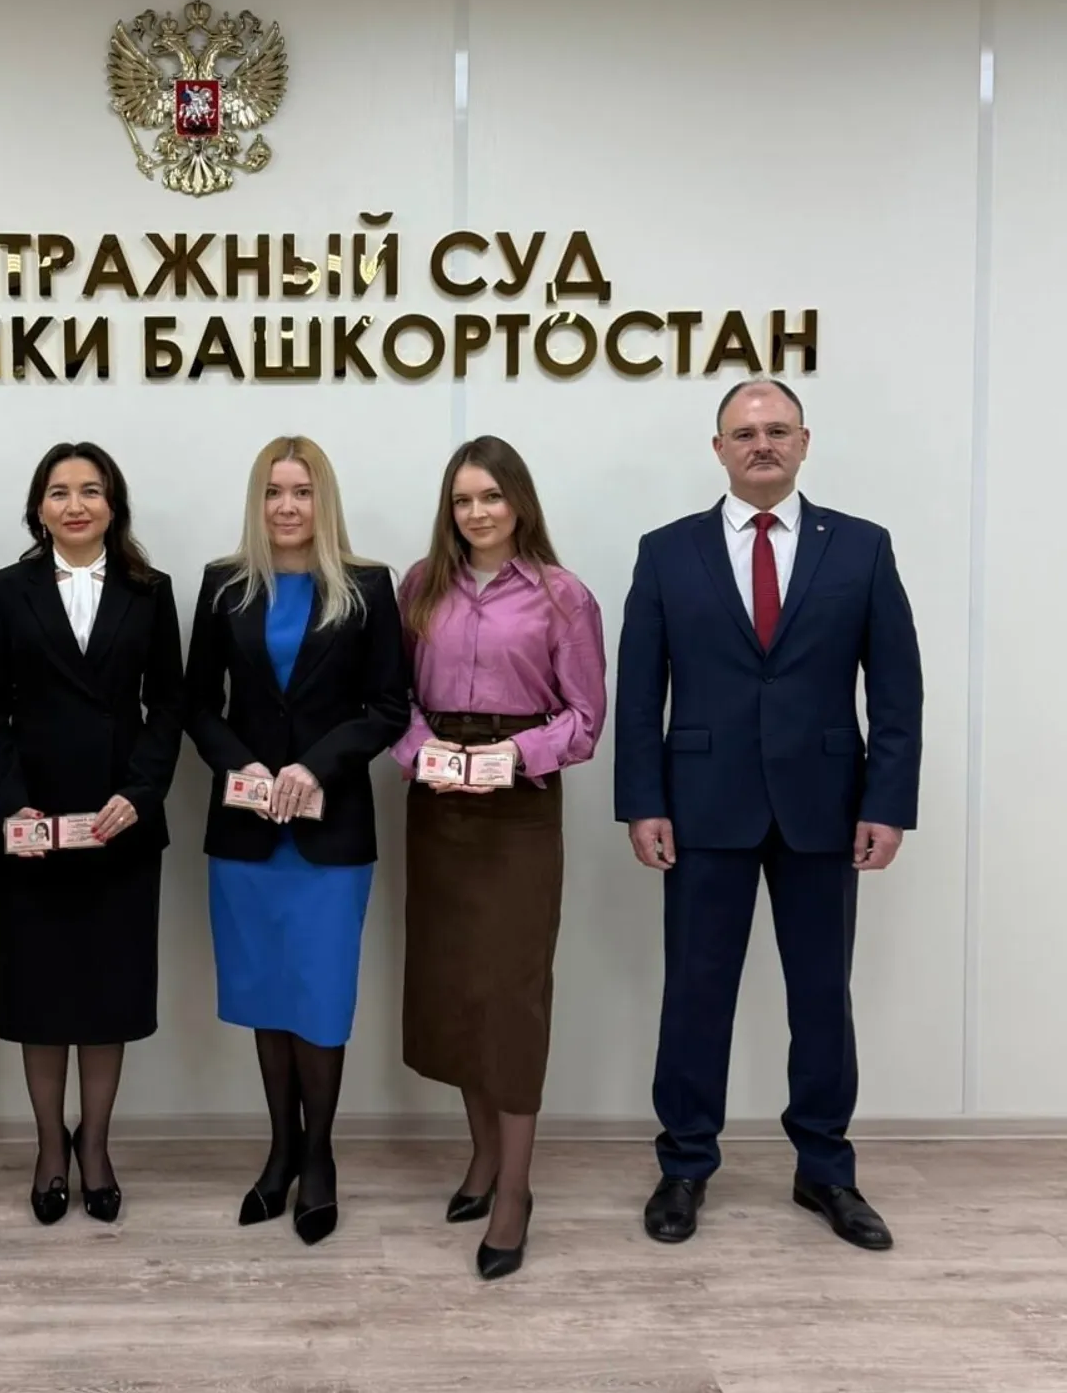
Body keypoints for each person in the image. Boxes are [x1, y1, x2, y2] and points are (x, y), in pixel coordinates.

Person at [614, 378, 922, 1251]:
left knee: (821, 996)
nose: (762, 444)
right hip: (700, 807)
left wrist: (887, 803)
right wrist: (643, 802)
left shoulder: (860, 548)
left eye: (777, 430)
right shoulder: (666, 552)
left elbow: (897, 689)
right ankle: (685, 1165)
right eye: (745, 433)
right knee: (695, 993)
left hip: (825, 809)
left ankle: (825, 1168)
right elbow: (637, 693)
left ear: (804, 442)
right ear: (718, 449)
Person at [185, 435, 410, 1246]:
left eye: (302, 491)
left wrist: (317, 766)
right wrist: (241, 762)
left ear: (324, 501)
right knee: (266, 993)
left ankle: (319, 1157)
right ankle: (279, 1150)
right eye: (274, 491)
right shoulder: (224, 585)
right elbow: (195, 703)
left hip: (330, 831)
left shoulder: (367, 586)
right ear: (258, 501)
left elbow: (389, 707)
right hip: (246, 834)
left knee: (318, 996)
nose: (287, 506)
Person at [391, 437, 607, 1280]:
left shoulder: (563, 596)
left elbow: (585, 718)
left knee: (512, 995)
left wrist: (515, 756)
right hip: (439, 802)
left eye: (490, 496)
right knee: (456, 988)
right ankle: (481, 1156)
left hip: (519, 808)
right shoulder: (421, 585)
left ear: (519, 501)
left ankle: (514, 1190)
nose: (477, 513)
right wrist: (424, 754)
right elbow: (398, 700)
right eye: (462, 500)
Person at [0, 442, 183, 1225]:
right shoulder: (5, 590)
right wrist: (11, 803)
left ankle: (94, 1144)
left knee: (105, 995)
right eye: (59, 492)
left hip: (117, 823)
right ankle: (48, 1148)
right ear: (39, 508)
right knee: (41, 995)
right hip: (34, 824)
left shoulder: (150, 591)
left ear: (113, 505)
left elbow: (169, 706)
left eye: (90, 491)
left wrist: (140, 793)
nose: (75, 505)